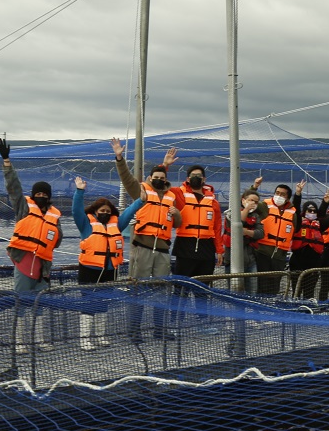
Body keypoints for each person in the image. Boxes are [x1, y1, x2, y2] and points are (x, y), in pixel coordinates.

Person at [110, 137, 182, 340]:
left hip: (162, 250)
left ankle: (159, 330)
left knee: (161, 292)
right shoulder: (141, 191)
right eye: (155, 176)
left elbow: (177, 223)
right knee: (137, 289)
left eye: (161, 176)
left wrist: (176, 214)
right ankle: (134, 331)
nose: (158, 179)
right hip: (141, 247)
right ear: (150, 178)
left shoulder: (170, 196)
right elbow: (126, 178)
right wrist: (119, 157)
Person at [0, 138, 63, 353]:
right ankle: (19, 341)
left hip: (44, 264)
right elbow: (14, 188)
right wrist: (7, 162)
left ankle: (39, 340)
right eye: (38, 193)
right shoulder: (24, 208)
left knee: (39, 303)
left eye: (45, 194)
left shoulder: (55, 215)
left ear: (49, 197)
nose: (41, 196)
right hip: (24, 260)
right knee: (21, 302)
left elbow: (57, 238)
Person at [72, 176, 122, 349]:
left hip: (109, 271)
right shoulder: (86, 225)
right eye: (102, 210)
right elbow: (76, 211)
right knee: (88, 304)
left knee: (104, 304)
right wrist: (79, 191)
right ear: (95, 211)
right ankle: (84, 339)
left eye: (108, 211)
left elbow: (130, 212)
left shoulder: (116, 225)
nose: (105, 213)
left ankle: (100, 336)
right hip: (89, 270)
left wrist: (140, 200)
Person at [173, 164, 224, 278]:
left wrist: (219, 251)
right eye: (193, 175)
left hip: (207, 247)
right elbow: (160, 187)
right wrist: (165, 165)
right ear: (188, 179)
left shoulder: (213, 202)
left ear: (204, 179)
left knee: (204, 285)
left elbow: (217, 228)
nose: (196, 177)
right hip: (184, 245)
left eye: (199, 175)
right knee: (181, 284)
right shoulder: (179, 194)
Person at [254, 181, 301, 295]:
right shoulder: (265, 206)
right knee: (261, 283)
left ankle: (272, 308)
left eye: (282, 194)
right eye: (277, 193)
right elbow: (249, 202)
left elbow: (296, 227)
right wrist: (254, 187)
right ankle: (258, 309)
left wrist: (298, 194)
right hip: (262, 252)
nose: (279, 196)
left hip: (280, 255)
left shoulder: (292, 213)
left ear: (288, 198)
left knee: (275, 285)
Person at [223, 188, 267, 293]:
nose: (253, 203)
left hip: (250, 261)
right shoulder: (231, 214)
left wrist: (247, 232)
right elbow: (237, 226)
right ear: (243, 200)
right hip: (233, 262)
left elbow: (260, 233)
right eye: (251, 200)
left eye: (256, 202)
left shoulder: (256, 217)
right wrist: (246, 210)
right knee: (235, 292)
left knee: (252, 291)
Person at [289, 198, 326, 299]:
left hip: (314, 261)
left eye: (314, 211)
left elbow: (326, 217)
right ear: (304, 211)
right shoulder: (298, 223)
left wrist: (325, 202)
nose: (312, 213)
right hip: (297, 260)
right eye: (310, 210)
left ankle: (307, 309)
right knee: (296, 288)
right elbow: (295, 208)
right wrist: (298, 194)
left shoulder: (320, 225)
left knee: (309, 291)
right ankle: (294, 308)